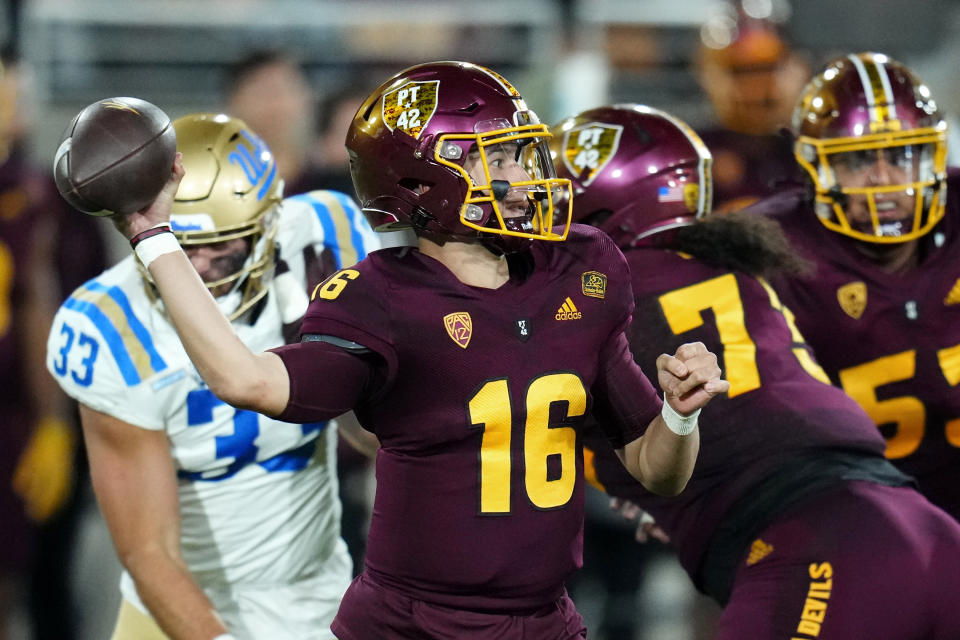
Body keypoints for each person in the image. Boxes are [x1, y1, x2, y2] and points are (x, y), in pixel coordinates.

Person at [106, 61, 728, 639]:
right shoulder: (383, 297)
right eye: (500, 157)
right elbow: (249, 381)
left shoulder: (582, 268)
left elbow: (656, 469)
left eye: (523, 153)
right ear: (427, 179)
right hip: (413, 624)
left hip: (545, 620)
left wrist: (680, 412)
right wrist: (154, 237)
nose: (527, 174)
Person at [551, 103, 960, 638]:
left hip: (813, 548)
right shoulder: (737, 266)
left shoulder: (582, 297)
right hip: (922, 527)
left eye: (549, 193)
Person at [47, 112, 380, 639]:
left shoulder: (322, 239)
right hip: (176, 607)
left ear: (269, 226)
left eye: (217, 247)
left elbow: (384, 440)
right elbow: (148, 550)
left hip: (318, 593)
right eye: (179, 243)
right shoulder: (109, 326)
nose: (194, 267)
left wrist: (338, 358)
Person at [742, 52, 960, 523]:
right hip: (850, 520)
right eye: (859, 160)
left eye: (904, 156)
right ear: (815, 168)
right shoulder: (770, 249)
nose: (884, 181)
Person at [0, 49, 108, 640]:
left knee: (32, 587)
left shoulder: (42, 197)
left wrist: (55, 422)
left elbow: (47, 306)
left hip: (18, 417)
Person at [693, 1, 808, 212]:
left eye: (766, 70)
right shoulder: (694, 154)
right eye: (742, 73)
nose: (756, 90)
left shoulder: (807, 151)